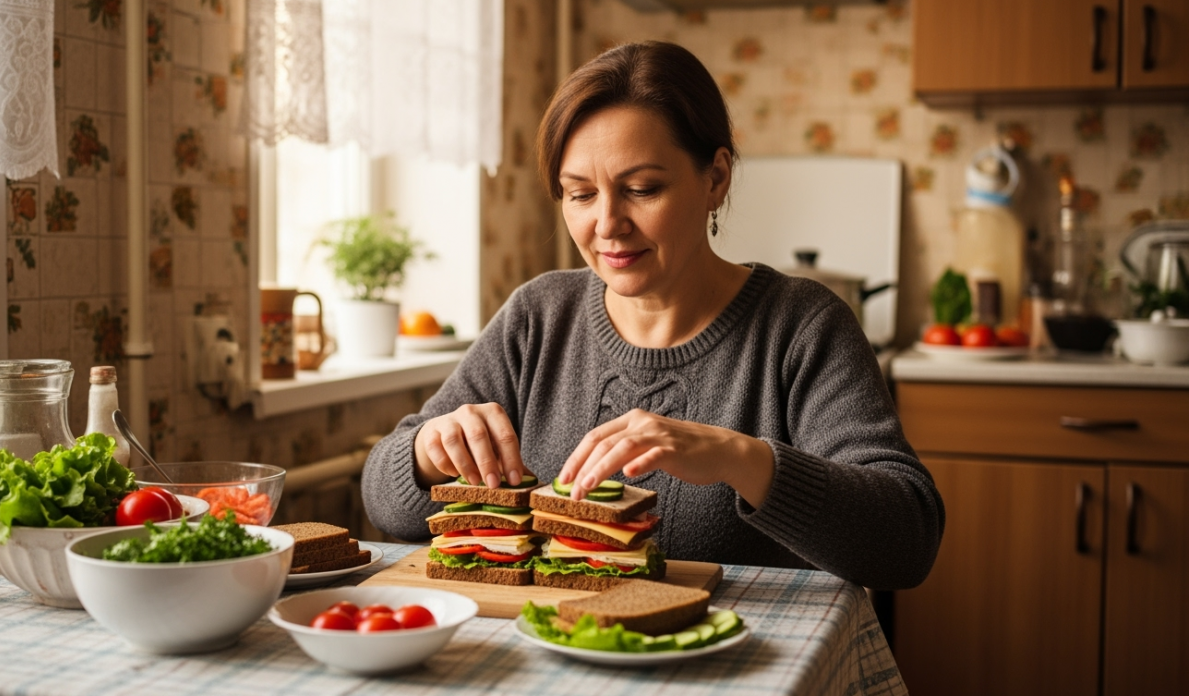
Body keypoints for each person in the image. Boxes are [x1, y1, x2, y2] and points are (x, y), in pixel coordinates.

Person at [361, 41, 943, 590]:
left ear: (716, 178)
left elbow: (908, 541)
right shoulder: (538, 317)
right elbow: (382, 500)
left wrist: (740, 458)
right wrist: (425, 455)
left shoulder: (802, 327)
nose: (608, 224)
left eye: (641, 188)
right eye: (580, 194)